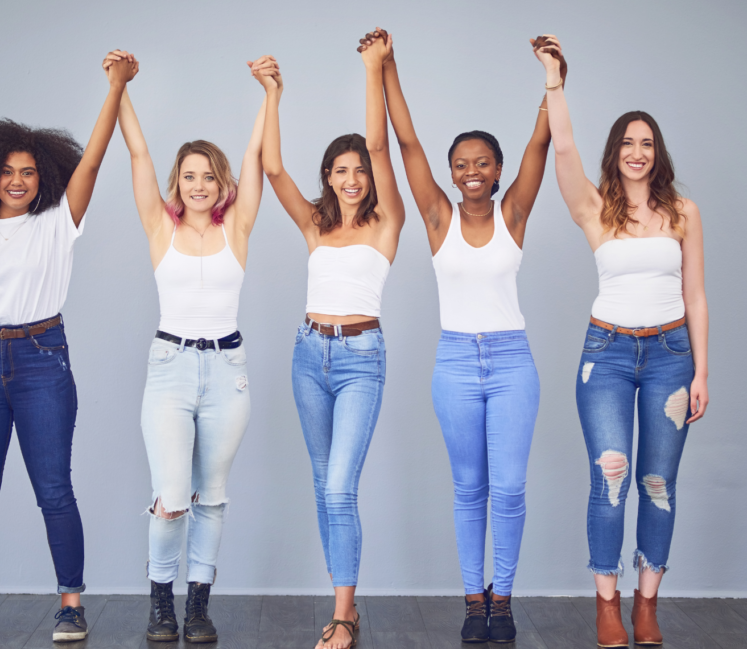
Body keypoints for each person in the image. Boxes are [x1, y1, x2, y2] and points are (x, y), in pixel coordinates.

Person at [356, 28, 567, 644]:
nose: (471, 171)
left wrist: (553, 79)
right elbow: (405, 141)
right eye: (462, 164)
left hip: (510, 361)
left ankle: (504, 599)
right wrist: (388, 68)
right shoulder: (436, 217)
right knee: (469, 488)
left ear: (498, 171)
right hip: (454, 361)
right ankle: (473, 601)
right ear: (451, 173)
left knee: (509, 487)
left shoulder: (515, 215)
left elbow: (541, 141)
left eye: (482, 163)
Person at [0, 52, 137, 642]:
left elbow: (93, 162)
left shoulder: (56, 224)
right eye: (7, 172)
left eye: (28, 171)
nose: (18, 180)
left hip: (42, 360)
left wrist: (116, 88)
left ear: (43, 176)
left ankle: (71, 606)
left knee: (54, 489)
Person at [536, 34, 709, 648]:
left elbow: (695, 298)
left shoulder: (683, 211)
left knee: (658, 484)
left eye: (647, 143)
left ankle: (646, 604)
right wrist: (555, 82)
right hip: (606, 355)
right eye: (628, 143)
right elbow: (563, 148)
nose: (637, 152)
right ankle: (607, 604)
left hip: (670, 357)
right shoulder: (594, 207)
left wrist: (702, 373)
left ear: (657, 153)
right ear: (616, 152)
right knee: (609, 476)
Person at [107, 50, 276, 644]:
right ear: (177, 183)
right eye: (189, 176)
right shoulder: (161, 227)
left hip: (228, 370)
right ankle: (160, 601)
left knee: (214, 498)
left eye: (209, 176)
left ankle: (198, 604)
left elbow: (257, 156)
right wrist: (119, 87)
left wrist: (269, 95)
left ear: (221, 182)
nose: (199, 185)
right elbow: (138, 153)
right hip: (171, 368)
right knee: (173, 495)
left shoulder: (239, 228)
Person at [261, 34, 405, 649]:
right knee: (325, 485)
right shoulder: (315, 224)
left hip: (359, 360)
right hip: (306, 354)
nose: (352, 178)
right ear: (328, 176)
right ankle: (340, 597)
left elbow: (379, 141)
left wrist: (373, 69)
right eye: (340, 171)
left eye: (360, 171)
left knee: (341, 487)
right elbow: (271, 170)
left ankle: (344, 616)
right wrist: (273, 95)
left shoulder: (387, 222)